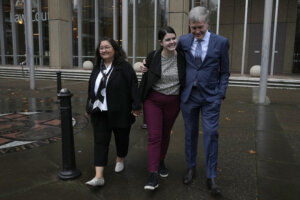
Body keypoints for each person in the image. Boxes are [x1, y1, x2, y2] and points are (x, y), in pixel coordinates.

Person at [178, 6, 230, 195]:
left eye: (200, 27)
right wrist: (147, 64)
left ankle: (211, 175)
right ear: (189, 26)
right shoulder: (183, 41)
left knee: (211, 133)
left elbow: (225, 71)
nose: (197, 31)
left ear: (208, 24)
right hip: (189, 96)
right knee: (190, 133)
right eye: (193, 28)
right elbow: (168, 55)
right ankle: (191, 167)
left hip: (210, 97)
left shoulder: (222, 42)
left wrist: (220, 92)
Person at [85, 37, 142, 186]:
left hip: (120, 111)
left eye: (107, 47)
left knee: (121, 139)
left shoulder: (125, 67)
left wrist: (136, 106)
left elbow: (133, 86)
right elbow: (92, 88)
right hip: (99, 112)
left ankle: (120, 158)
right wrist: (88, 107)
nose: (103, 50)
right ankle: (99, 177)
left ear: (115, 49)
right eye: (101, 48)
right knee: (100, 143)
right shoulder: (97, 67)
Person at [139, 26, 186, 190]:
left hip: (174, 102)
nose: (172, 42)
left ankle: (160, 161)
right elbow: (145, 78)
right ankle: (152, 174)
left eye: (174, 38)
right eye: (168, 39)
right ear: (161, 42)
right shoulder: (153, 56)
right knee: (154, 136)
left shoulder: (182, 57)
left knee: (165, 134)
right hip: (153, 101)